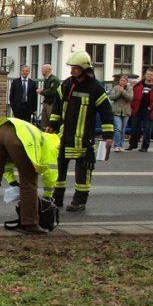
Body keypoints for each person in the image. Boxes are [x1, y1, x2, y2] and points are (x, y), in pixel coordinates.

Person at [44, 51, 113, 212]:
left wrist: (108, 136)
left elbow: (106, 113)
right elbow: (57, 106)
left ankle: (79, 201)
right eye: (71, 68)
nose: (71, 71)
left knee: (83, 174)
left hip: (83, 140)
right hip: (64, 138)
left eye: (75, 68)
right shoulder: (66, 84)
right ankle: (57, 199)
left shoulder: (96, 88)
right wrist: (52, 124)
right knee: (59, 171)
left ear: (84, 68)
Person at [0, 117, 60, 234]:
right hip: (18, 138)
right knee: (28, 181)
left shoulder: (37, 134)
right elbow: (50, 173)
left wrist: (12, 181)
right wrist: (48, 196)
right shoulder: (51, 145)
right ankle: (30, 223)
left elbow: (7, 164)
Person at [126, 68, 153, 153]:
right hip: (137, 110)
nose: (149, 76)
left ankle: (144, 146)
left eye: (151, 74)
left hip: (149, 111)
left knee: (147, 129)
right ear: (145, 75)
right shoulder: (138, 85)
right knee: (134, 128)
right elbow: (133, 98)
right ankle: (133, 144)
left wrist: (151, 107)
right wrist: (132, 108)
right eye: (148, 74)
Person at [109, 75, 133, 151]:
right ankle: (116, 145)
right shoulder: (115, 88)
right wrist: (119, 93)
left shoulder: (130, 88)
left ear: (126, 82)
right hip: (116, 112)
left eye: (123, 81)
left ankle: (121, 145)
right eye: (121, 80)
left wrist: (123, 92)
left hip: (126, 112)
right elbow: (111, 97)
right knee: (118, 128)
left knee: (123, 130)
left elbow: (130, 98)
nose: (122, 82)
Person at [36, 64, 60, 130]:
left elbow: (52, 92)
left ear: (47, 70)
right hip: (46, 103)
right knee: (44, 123)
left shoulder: (54, 80)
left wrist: (41, 92)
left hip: (51, 104)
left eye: (42, 69)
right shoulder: (47, 79)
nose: (41, 71)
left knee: (50, 122)